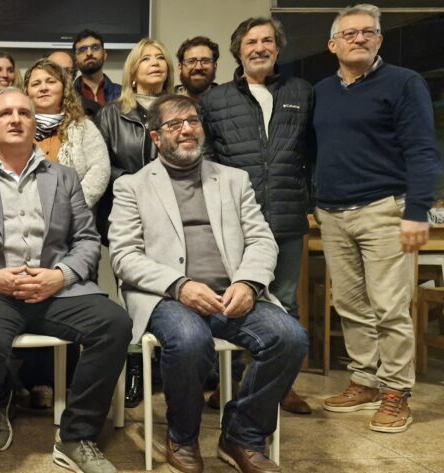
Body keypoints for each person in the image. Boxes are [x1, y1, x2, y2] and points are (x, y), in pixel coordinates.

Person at [0, 88, 132, 473]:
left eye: (24, 113)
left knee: (115, 324)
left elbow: (88, 240)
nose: (15, 119)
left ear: (34, 125)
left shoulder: (64, 176)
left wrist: (60, 276)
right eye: (5, 113)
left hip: (56, 289)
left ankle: (76, 436)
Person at [109, 94, 307, 473]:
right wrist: (180, 285)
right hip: (168, 297)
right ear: (155, 137)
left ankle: (242, 435)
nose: (186, 129)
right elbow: (124, 256)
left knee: (290, 339)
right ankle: (182, 437)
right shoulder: (132, 187)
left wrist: (248, 283)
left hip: (233, 292)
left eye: (193, 121)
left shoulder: (233, 180)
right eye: (174, 124)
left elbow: (262, 240)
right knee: (189, 341)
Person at [314, 3, 441, 433]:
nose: (359, 39)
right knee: (349, 304)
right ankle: (365, 380)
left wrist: (418, 210)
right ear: (333, 44)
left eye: (368, 32)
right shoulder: (323, 92)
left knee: (389, 307)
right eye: (349, 34)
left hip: (385, 210)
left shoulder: (404, 83)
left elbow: (423, 150)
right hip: (332, 213)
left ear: (380, 40)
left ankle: (395, 392)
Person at [198, 17, 314, 414]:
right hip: (234, 223)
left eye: (267, 41)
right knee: (230, 303)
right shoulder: (215, 100)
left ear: (278, 49)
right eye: (251, 42)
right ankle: (227, 384)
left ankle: (282, 386)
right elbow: (206, 156)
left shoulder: (302, 92)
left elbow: (312, 153)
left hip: (287, 217)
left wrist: (307, 199)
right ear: (239, 50)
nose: (260, 47)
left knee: (285, 303)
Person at [92, 37, 173, 407]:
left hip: (172, 219)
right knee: (128, 297)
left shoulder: (181, 109)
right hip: (124, 217)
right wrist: (140, 182)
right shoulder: (111, 114)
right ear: (133, 71)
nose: (156, 63)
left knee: (168, 293)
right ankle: (135, 370)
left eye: (161, 58)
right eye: (147, 59)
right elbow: (102, 165)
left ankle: (168, 367)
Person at [24, 59, 110, 207]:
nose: (43, 88)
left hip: (75, 217)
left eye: (51, 81)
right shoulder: (19, 128)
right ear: (26, 92)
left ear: (64, 88)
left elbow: (99, 170)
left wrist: (72, 206)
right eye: (36, 84)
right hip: (26, 214)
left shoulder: (84, 127)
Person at [71, 30, 121, 108]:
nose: (89, 53)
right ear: (75, 61)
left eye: (95, 48)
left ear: (104, 55)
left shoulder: (123, 94)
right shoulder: (68, 97)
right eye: (82, 50)